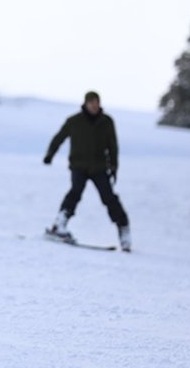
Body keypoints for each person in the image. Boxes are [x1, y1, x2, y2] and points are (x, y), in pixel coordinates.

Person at [43, 91, 132, 251]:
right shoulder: (74, 121)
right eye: (91, 102)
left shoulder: (106, 122)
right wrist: (50, 154)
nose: (94, 105)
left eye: (96, 102)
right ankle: (59, 225)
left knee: (109, 198)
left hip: (99, 167)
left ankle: (124, 230)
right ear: (85, 104)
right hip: (79, 166)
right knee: (75, 192)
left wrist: (114, 166)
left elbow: (113, 146)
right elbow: (59, 137)